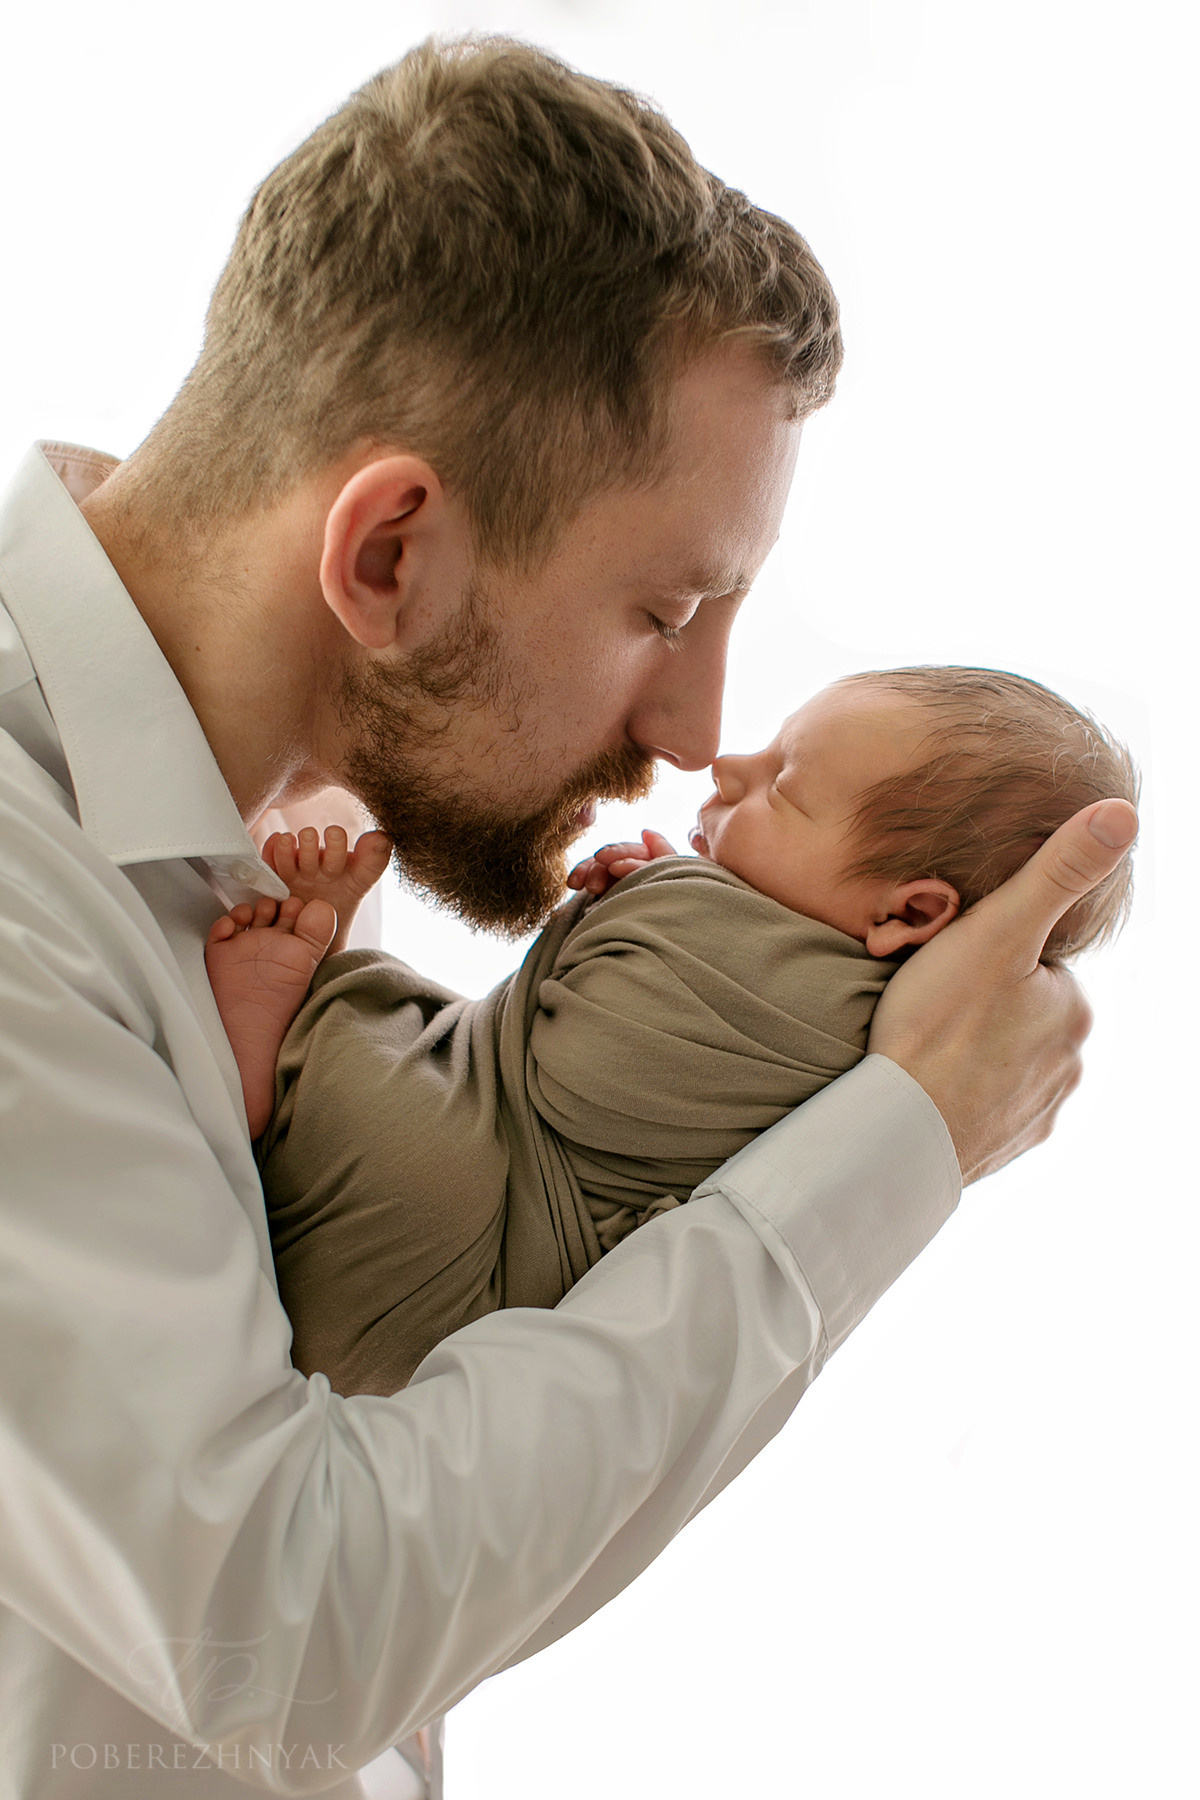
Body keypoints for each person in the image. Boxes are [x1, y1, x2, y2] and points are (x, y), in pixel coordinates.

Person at [0, 35, 1135, 1798]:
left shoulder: (249, 841)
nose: (694, 733)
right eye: (662, 609)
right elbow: (278, 1637)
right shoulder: (21, 896)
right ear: (388, 556)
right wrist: (896, 1139)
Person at [202, 666, 1139, 1397]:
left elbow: (589, 1068)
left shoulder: (841, 1020)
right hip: (472, 1271)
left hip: (439, 1274)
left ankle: (281, 1045)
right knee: (438, 1055)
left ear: (910, 914)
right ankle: (313, 1012)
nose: (729, 766)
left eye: (785, 786)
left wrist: (639, 907)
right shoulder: (859, 1012)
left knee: (412, 1126)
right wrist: (632, 915)